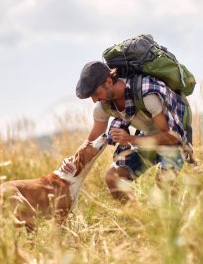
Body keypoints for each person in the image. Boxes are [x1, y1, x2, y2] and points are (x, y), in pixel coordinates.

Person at [76, 61, 191, 202]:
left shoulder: (146, 94)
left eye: (95, 93)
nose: (94, 100)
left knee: (162, 187)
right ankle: (138, 221)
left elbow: (172, 138)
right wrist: (66, 169)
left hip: (172, 140)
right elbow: (91, 142)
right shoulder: (103, 106)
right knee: (113, 178)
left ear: (108, 81)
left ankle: (176, 217)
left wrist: (130, 139)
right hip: (147, 137)